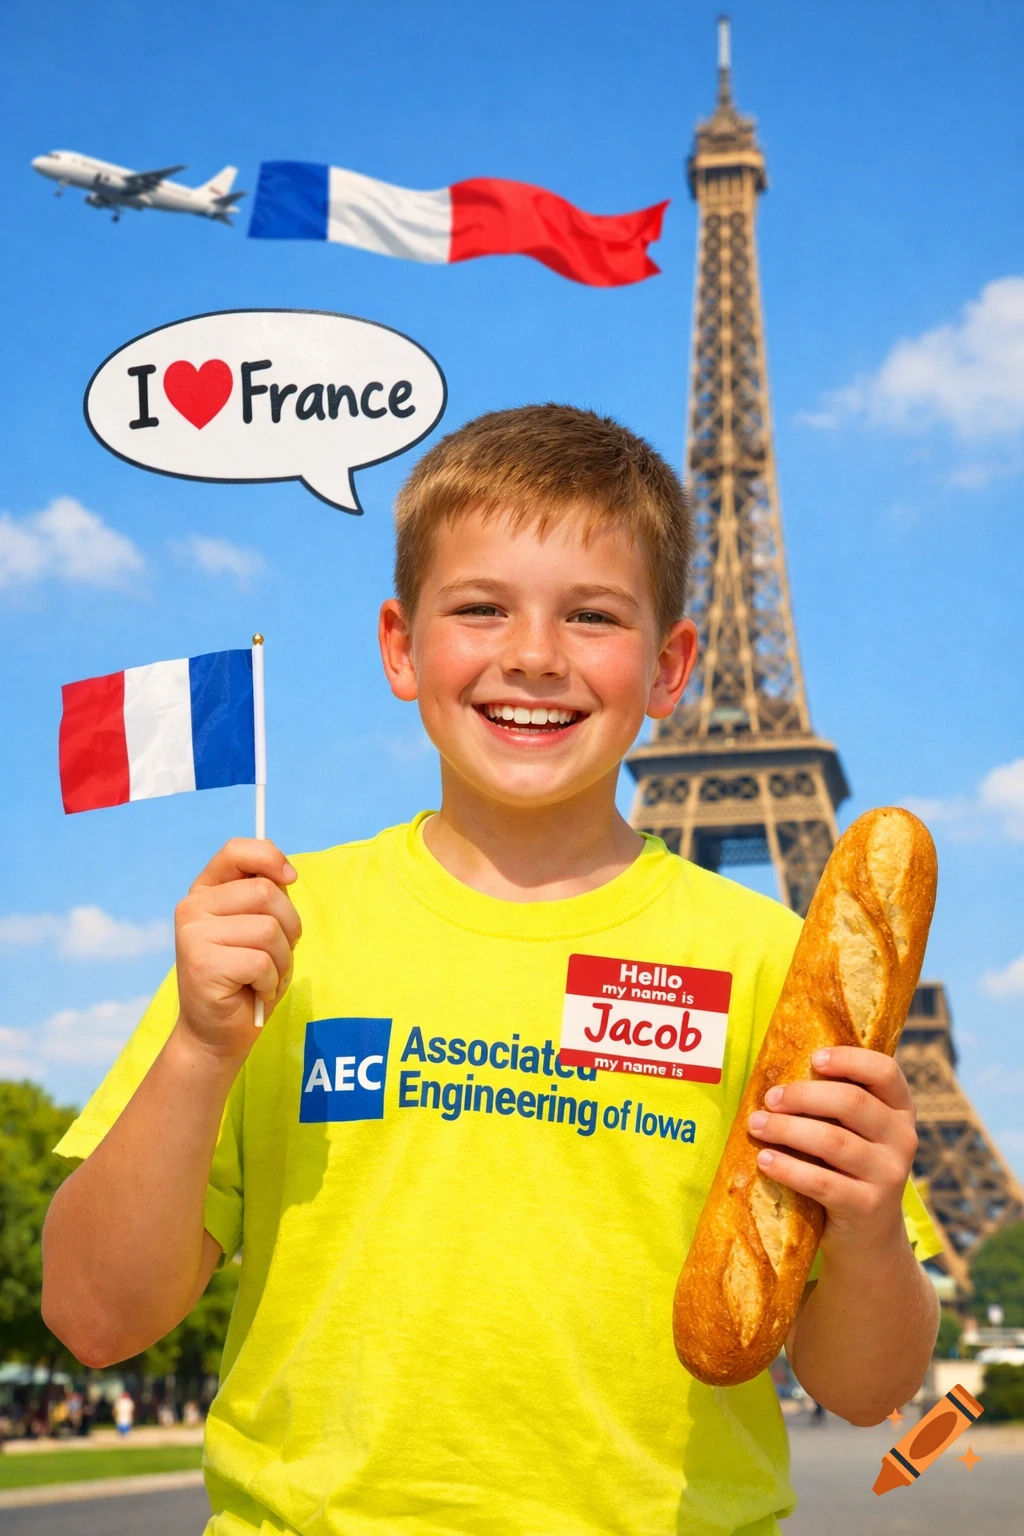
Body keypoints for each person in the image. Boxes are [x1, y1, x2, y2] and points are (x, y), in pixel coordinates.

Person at [41, 406, 942, 1535]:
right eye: (480, 608)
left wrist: (868, 1228)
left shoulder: (768, 961)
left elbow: (864, 1391)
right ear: (400, 647)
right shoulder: (275, 935)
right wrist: (196, 1050)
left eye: (592, 615)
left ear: (671, 667)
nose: (533, 655)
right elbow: (94, 1317)